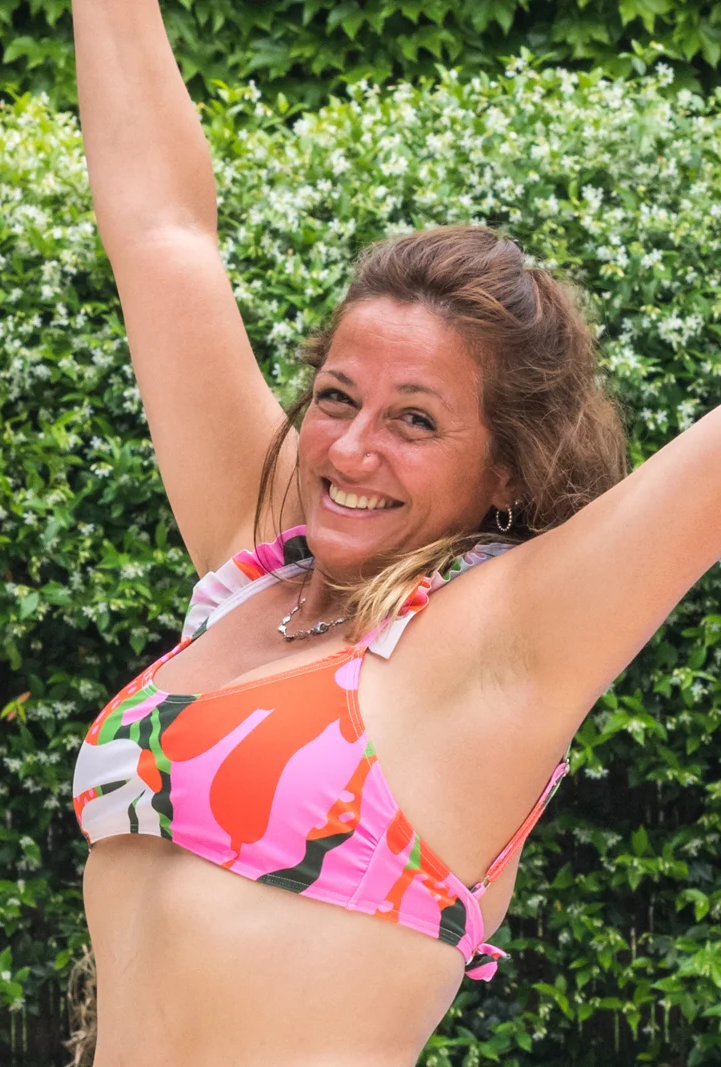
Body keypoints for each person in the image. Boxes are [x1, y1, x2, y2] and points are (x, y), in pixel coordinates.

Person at [68, 1, 721, 1064]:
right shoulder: (262, 561)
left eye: (414, 420)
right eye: (335, 397)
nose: (350, 448)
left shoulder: (503, 641)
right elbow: (159, 234)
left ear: (504, 468)